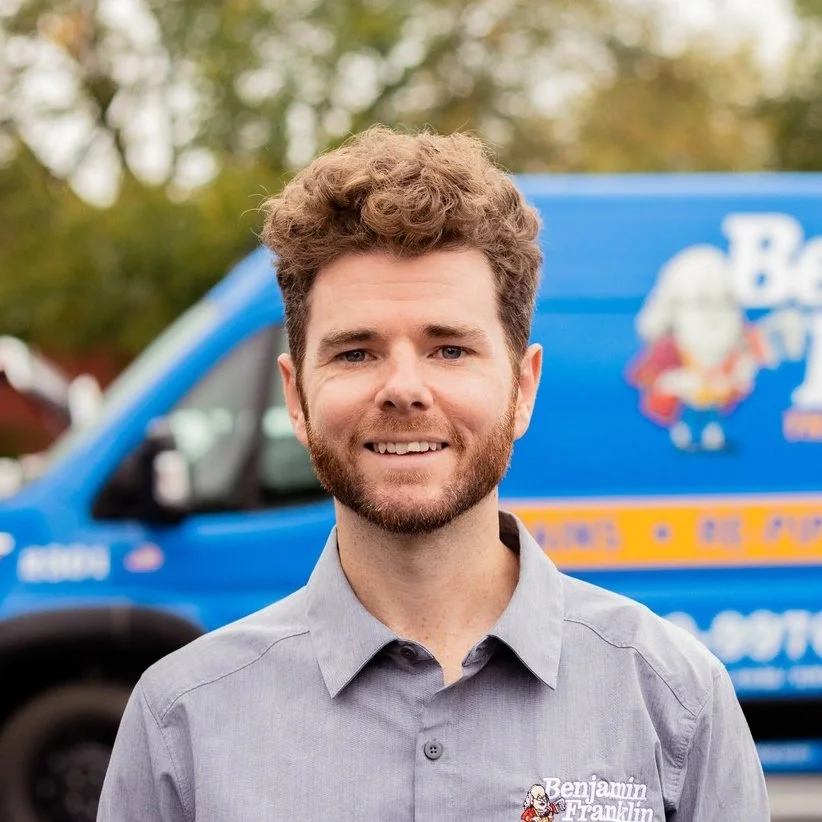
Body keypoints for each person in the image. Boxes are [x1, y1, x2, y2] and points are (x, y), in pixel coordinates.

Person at [97, 127, 769, 821]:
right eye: (356, 353)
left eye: (449, 350)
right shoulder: (183, 723)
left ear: (523, 388)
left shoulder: (674, 700)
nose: (403, 389)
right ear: (296, 398)